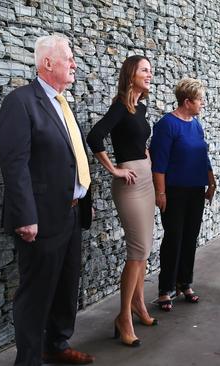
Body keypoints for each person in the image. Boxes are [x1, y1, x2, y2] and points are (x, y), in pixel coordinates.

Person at [0, 35, 95, 365]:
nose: (74, 64)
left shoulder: (63, 104)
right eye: (68, 58)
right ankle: (28, 360)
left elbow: (70, 158)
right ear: (47, 63)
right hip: (39, 219)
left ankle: (57, 344)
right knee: (36, 293)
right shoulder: (21, 102)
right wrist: (26, 216)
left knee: (66, 287)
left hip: (70, 213)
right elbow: (15, 164)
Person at [86, 55, 155, 347]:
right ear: (131, 75)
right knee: (137, 250)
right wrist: (114, 169)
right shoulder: (120, 106)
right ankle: (123, 316)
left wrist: (147, 160)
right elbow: (95, 136)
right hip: (130, 185)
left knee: (145, 250)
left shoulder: (140, 108)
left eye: (151, 70)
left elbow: (139, 143)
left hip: (147, 180)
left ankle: (139, 305)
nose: (149, 74)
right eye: (144, 70)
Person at [150, 77, 216, 311]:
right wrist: (160, 192)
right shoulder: (167, 125)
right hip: (174, 192)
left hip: (196, 190)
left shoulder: (196, 124)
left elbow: (202, 155)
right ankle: (164, 289)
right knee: (173, 238)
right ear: (187, 102)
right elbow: (159, 163)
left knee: (190, 238)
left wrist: (211, 182)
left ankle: (184, 283)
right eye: (200, 100)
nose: (203, 104)